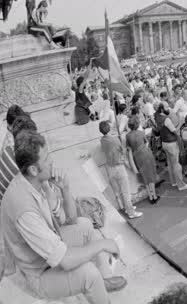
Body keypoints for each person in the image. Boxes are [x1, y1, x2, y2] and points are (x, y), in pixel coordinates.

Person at [0, 130, 125, 304]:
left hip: (48, 249)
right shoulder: (24, 210)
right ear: (34, 169)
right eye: (46, 158)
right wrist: (103, 244)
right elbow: (64, 260)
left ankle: (102, 283)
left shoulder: (38, 182)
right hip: (40, 273)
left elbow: (71, 220)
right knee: (88, 274)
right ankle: (97, 286)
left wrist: (65, 189)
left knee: (85, 225)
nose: (51, 161)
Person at [98, 120, 142, 219]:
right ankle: (131, 212)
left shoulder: (102, 140)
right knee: (125, 191)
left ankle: (127, 208)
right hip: (118, 167)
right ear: (109, 128)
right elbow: (122, 150)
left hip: (110, 168)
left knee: (121, 190)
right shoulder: (114, 140)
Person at [155, 102, 187, 191]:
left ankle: (173, 182)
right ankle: (181, 185)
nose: (169, 108)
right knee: (176, 164)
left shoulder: (157, 116)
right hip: (171, 143)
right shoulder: (166, 119)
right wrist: (181, 122)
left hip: (164, 142)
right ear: (162, 109)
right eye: (167, 107)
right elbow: (175, 131)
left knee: (170, 163)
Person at [125, 116, 159, 204]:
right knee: (151, 175)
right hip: (146, 154)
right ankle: (154, 196)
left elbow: (129, 149)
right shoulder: (141, 132)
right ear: (137, 124)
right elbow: (146, 142)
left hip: (137, 157)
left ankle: (150, 196)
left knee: (145, 176)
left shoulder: (127, 136)